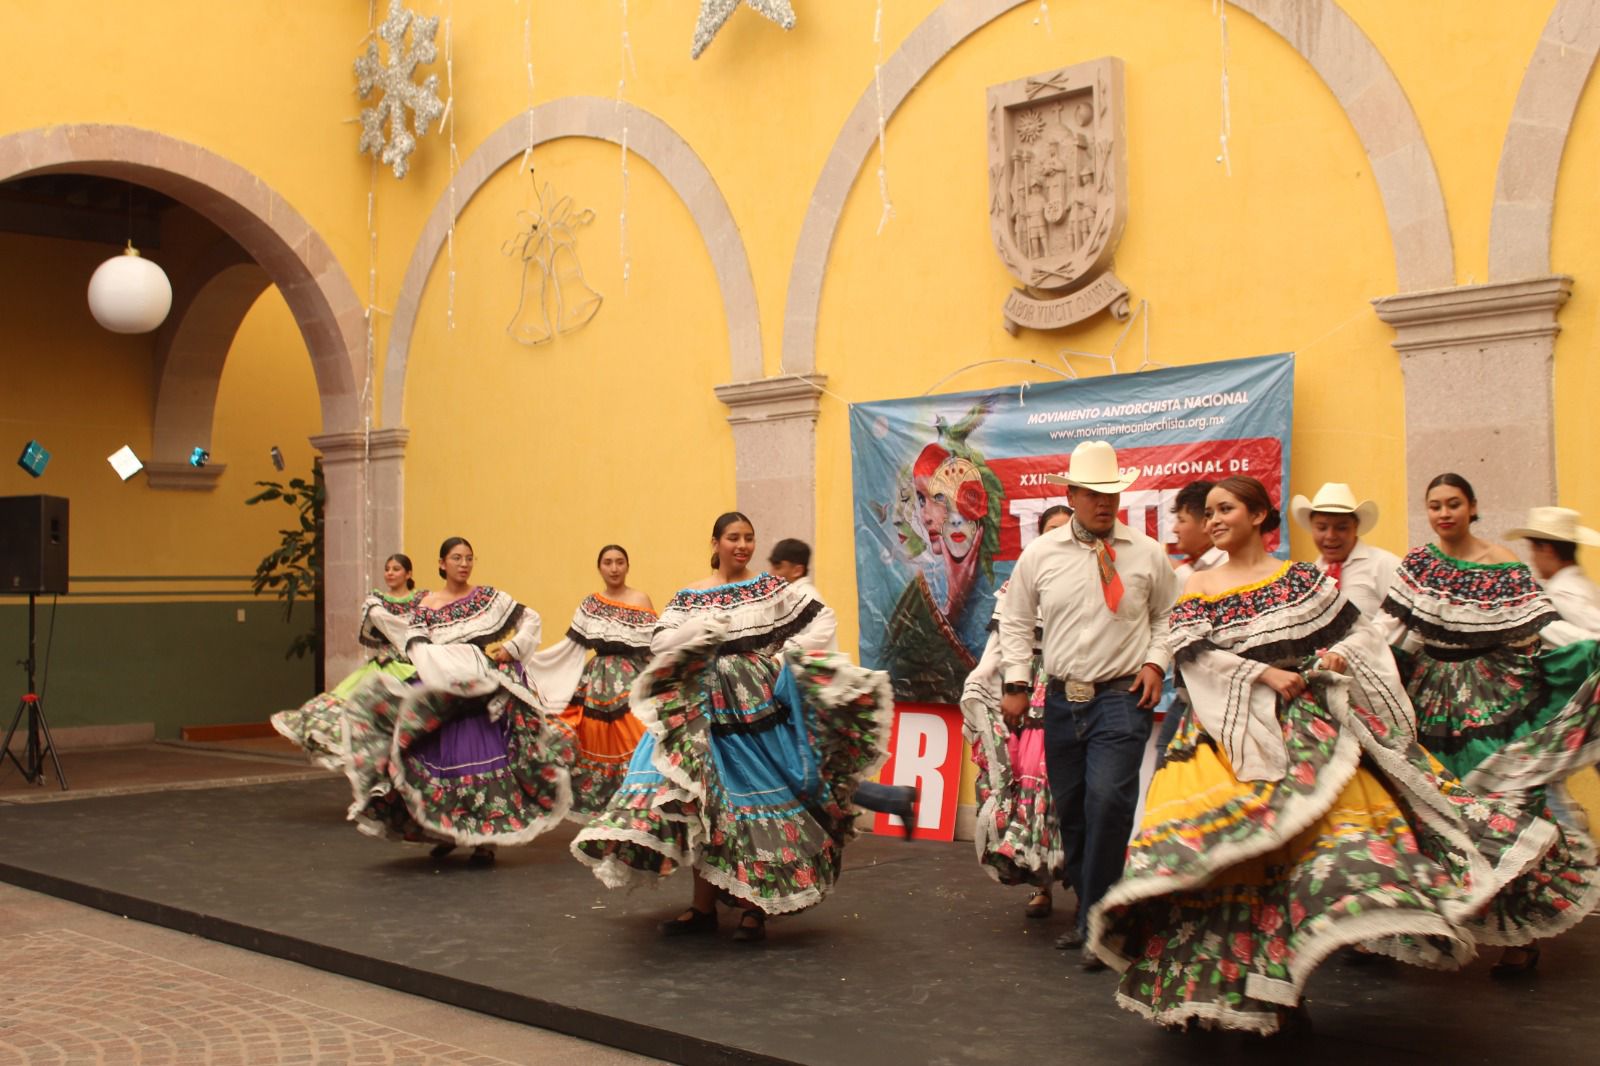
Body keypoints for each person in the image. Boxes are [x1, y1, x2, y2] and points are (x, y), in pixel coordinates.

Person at [1090, 476, 1571, 1033]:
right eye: (1211, 511)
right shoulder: (1197, 583)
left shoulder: (1300, 580)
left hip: (1303, 737)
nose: (1215, 518)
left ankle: (1282, 991)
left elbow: (1362, 635)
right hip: (1221, 742)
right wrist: (1262, 672)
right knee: (1217, 867)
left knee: (1299, 872)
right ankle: (1217, 990)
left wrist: (1337, 659)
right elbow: (1195, 656)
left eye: (1226, 509)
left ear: (1258, 516)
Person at [573, 512, 893, 943]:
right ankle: (702, 908)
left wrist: (784, 658)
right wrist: (697, 629)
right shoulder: (691, 596)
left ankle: (753, 909)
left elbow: (822, 620)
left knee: (748, 805)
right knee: (706, 805)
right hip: (701, 711)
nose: (742, 546)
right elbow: (659, 640)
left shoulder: (770, 589)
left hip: (753, 711)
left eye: (748, 538)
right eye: (733, 538)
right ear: (715, 542)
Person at [1377, 474, 1600, 974]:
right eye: (1434, 505)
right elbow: (1393, 631)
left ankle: (1518, 935)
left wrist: (1582, 651)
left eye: (1453, 503)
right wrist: (1356, 663)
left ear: (1473, 507)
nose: (1443, 513)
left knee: (1504, 809)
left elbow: (1541, 627)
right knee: (1427, 807)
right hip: (1428, 699)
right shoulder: (1417, 565)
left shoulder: (1503, 565)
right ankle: (1434, 922)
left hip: (1491, 697)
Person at [999, 441, 1179, 967]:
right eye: (1094, 493)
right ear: (1072, 494)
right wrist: (1014, 680)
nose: (1105, 503)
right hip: (1060, 700)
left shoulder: (1147, 552)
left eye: (1112, 493)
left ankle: (1098, 921)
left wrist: (1155, 663)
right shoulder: (1042, 553)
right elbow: (1014, 619)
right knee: (1073, 810)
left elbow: (1169, 617)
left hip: (1121, 698)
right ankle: (1092, 903)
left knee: (1109, 802)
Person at [340, 537, 575, 866]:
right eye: (456, 558)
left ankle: (484, 841)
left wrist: (512, 648)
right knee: (439, 760)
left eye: (468, 558)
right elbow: (415, 645)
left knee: (481, 758)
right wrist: (438, 677)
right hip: (440, 688)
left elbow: (531, 619)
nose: (464, 564)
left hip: (478, 688)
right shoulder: (427, 605)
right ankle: (450, 832)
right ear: (441, 564)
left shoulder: (487, 598)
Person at [962, 505, 1070, 918]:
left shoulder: (1093, 579)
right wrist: (983, 680)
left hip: (1073, 690)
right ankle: (1040, 885)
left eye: (1065, 529)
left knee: (1067, 793)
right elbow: (1000, 648)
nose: (1058, 537)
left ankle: (1079, 879)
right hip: (1027, 695)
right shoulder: (1018, 587)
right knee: (1032, 789)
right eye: (1050, 530)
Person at [769, 537, 916, 832]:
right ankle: (893, 799)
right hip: (803, 700)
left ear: (796, 569)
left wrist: (779, 652)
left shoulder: (807, 600)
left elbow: (816, 636)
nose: (773, 574)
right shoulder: (790, 598)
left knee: (810, 771)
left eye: (778, 567)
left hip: (809, 703)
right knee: (815, 771)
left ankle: (890, 800)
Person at [523, 545, 657, 817]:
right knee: (589, 743)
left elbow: (654, 646)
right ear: (600, 568)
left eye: (620, 562)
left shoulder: (641, 599)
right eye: (608, 562)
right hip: (595, 685)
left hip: (632, 678)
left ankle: (638, 811)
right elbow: (570, 648)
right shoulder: (590, 605)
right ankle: (606, 816)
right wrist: (526, 659)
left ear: (627, 566)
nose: (614, 568)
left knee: (640, 739)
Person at [272, 553, 424, 769]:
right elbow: (389, 625)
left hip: (411, 667)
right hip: (385, 666)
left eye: (396, 569)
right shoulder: (376, 601)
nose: (390, 573)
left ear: (408, 574)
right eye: (387, 568)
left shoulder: (422, 599)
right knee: (356, 708)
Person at [1154, 482, 1225, 765]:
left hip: (1216, 703)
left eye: (1182, 520)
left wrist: (1170, 567)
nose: (1174, 529)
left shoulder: (1222, 569)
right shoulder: (1195, 568)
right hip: (1188, 698)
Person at [1289, 482, 1400, 617]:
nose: (1330, 536)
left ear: (1355, 527)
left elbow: (1403, 620)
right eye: (1322, 528)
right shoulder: (1312, 575)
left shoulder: (1383, 565)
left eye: (1341, 528)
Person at [1505, 506, 1600, 642]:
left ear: (1547, 550)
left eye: (1534, 551)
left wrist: (1541, 624)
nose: (1533, 559)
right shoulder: (1584, 584)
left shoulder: (1562, 591)